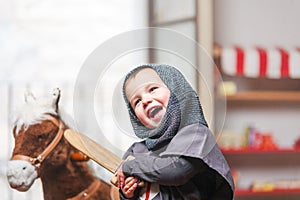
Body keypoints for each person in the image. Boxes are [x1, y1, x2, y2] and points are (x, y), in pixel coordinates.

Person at [116, 64, 234, 200]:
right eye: (137, 101)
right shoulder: (136, 150)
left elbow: (176, 171)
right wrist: (128, 194)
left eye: (153, 89)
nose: (146, 101)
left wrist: (130, 166)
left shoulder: (195, 134)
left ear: (176, 89)